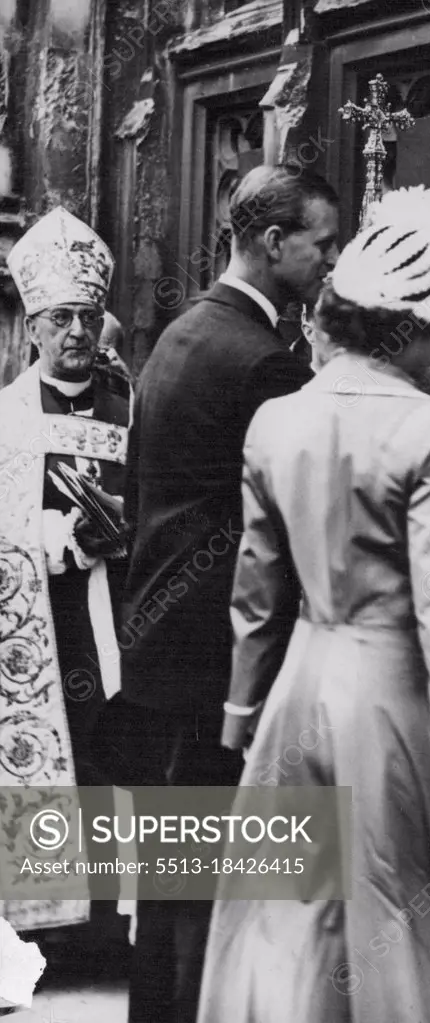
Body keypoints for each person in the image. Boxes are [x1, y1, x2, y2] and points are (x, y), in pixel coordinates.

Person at [196, 187, 430, 1023]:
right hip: (396, 701)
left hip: (298, 688)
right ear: (415, 330)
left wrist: (241, 713)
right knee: (408, 920)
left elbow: (257, 592)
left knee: (299, 921)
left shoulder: (275, 421)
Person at [113, 165, 339, 1023]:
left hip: (162, 643)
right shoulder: (264, 365)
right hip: (223, 655)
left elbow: (144, 497)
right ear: (274, 242)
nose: (327, 261)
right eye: (319, 243)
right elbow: (282, 533)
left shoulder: (177, 336)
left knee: (175, 881)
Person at [1, 207, 130, 940]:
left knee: (117, 761)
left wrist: (124, 524)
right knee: (60, 760)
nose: (77, 331)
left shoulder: (132, 410)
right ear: (34, 329)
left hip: (123, 616)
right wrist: (59, 535)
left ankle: (115, 925)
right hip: (45, 625)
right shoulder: (6, 418)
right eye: (60, 319)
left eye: (88, 316)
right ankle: (47, 923)